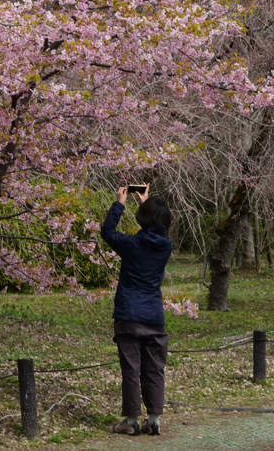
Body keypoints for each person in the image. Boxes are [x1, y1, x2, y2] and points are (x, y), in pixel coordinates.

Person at [100, 183, 173, 436]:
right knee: (154, 369)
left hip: (129, 315)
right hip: (154, 316)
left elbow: (107, 232)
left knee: (131, 369)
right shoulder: (166, 246)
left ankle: (130, 422)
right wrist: (147, 204)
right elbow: (156, 230)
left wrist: (119, 203)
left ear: (142, 219)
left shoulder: (131, 245)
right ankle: (153, 420)